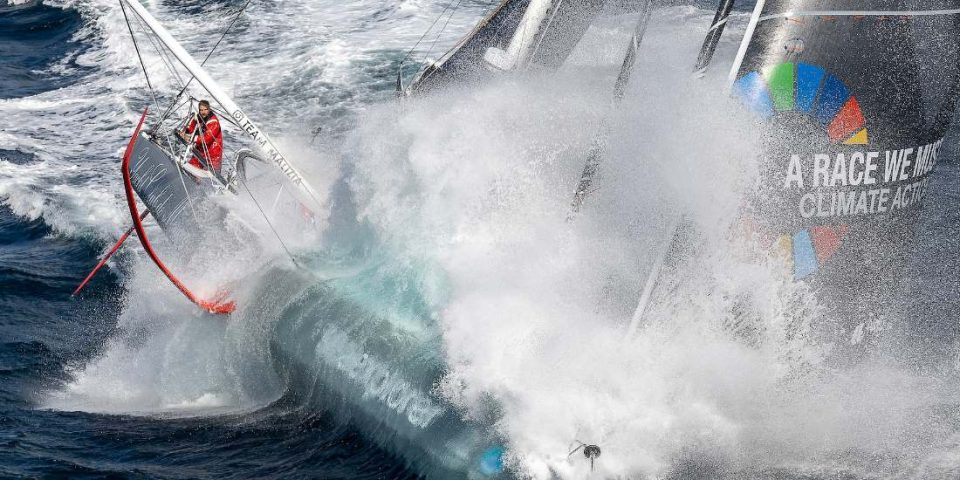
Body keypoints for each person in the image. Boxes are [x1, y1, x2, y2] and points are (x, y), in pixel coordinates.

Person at [178, 100, 223, 172]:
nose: (203, 112)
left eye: (205, 109)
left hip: (212, 154)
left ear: (209, 109)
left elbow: (206, 140)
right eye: (201, 110)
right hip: (200, 151)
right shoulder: (199, 117)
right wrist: (185, 132)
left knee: (210, 176)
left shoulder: (214, 122)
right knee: (190, 169)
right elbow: (191, 127)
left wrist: (191, 138)